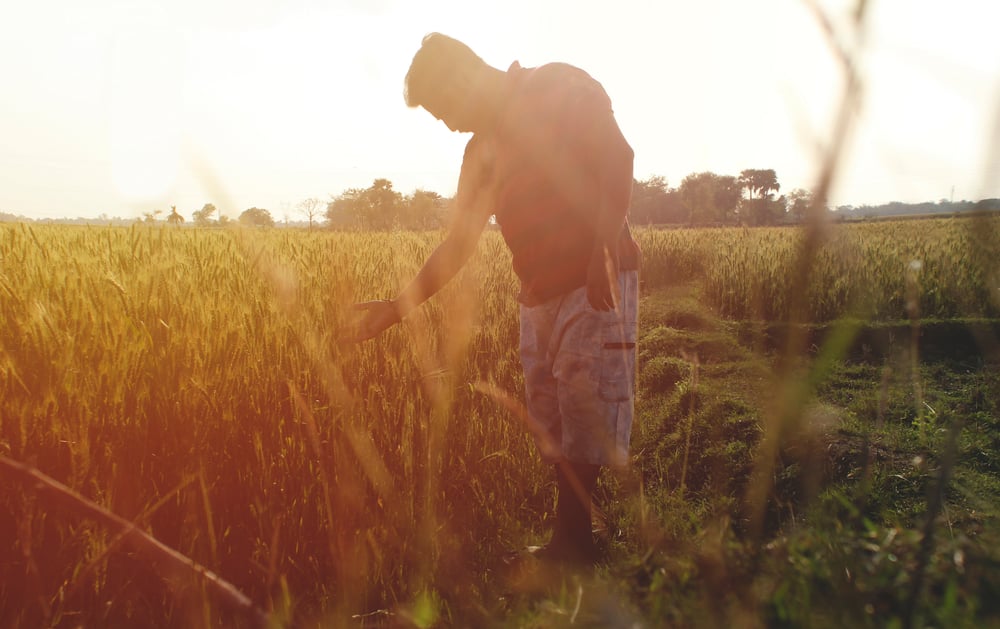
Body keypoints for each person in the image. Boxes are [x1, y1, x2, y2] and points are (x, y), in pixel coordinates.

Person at [350, 33, 640, 569]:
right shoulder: (479, 153)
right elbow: (459, 243)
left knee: (585, 411)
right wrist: (396, 307)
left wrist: (603, 246)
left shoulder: (557, 84)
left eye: (444, 108)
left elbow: (617, 157)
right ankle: (573, 541)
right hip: (537, 294)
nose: (448, 124)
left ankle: (574, 547)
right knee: (552, 421)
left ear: (463, 76)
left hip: (594, 281)